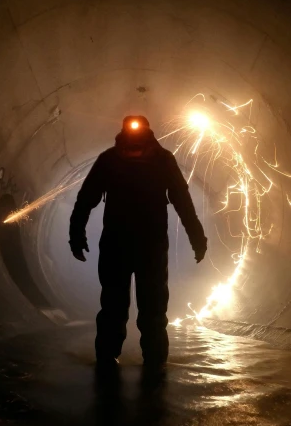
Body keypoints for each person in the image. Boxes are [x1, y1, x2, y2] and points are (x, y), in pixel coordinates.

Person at [69, 115, 207, 368]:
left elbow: (86, 199)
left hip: (128, 245)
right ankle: (147, 361)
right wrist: (76, 234)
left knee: (138, 307)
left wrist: (76, 234)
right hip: (140, 246)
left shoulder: (113, 160)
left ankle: (119, 358)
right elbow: (86, 198)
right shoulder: (152, 160)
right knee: (129, 306)